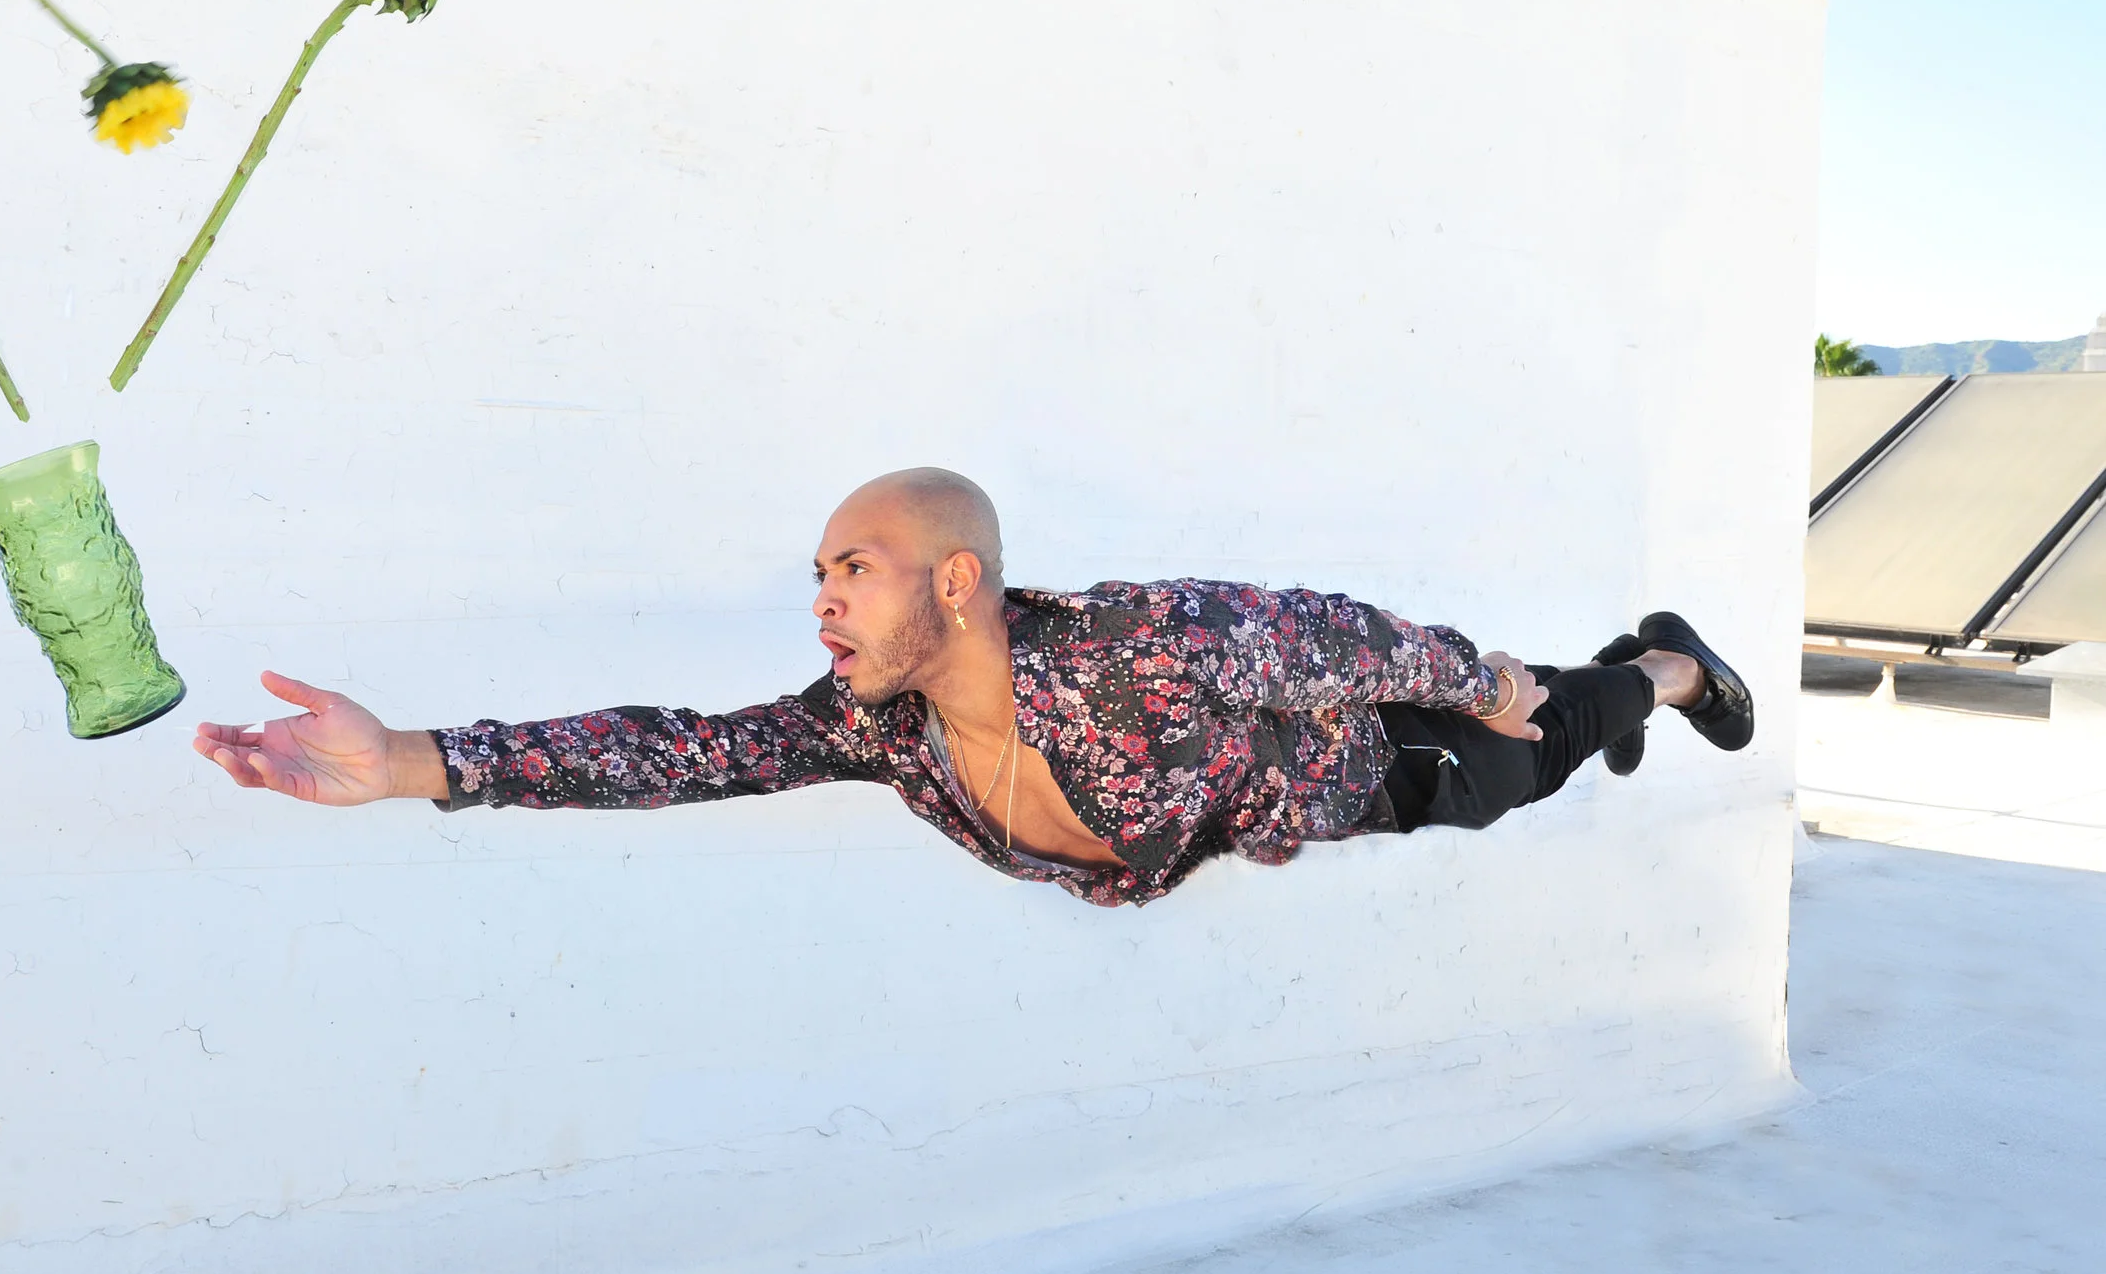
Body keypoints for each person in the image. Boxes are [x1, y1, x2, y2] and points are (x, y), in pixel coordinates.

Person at [193, 469, 1753, 907]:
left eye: (852, 567)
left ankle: (1671, 666)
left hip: (1397, 756)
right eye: (816, 573)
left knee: (1549, 741)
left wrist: (1483, 684)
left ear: (955, 581)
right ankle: (1617, 683)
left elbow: (1339, 636)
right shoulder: (878, 731)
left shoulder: (1145, 646)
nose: (821, 597)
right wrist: (405, 759)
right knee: (1549, 725)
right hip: (1270, 799)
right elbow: (677, 751)